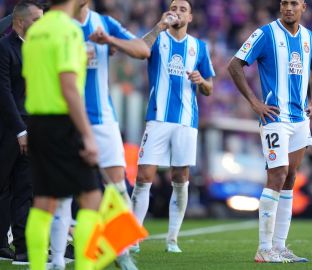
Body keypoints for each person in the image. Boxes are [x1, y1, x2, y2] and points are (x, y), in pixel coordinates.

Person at [46, 1, 150, 269]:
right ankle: (57, 259)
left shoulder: (104, 24)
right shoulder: (57, 23)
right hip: (66, 119)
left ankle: (122, 252)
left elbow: (142, 50)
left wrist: (109, 40)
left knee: (117, 189)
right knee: (63, 192)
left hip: (103, 120)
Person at [228, 0, 312, 263]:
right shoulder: (265, 33)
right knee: (277, 174)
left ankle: (280, 247)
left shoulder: (310, 39)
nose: (288, 8)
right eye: (284, 3)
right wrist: (254, 102)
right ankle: (263, 248)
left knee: (291, 177)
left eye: (293, 3)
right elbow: (234, 65)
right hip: (274, 118)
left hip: (299, 119)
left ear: (303, 6)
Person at [22, 0, 102, 269]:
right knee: (92, 197)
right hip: (62, 123)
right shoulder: (67, 31)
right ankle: (85, 266)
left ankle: (37, 265)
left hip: (36, 122)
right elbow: (69, 87)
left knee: (44, 200)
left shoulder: (35, 32)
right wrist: (87, 134)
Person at [131, 0, 214, 253]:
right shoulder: (158, 39)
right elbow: (139, 49)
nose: (176, 12)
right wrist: (158, 26)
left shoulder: (198, 47)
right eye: (173, 8)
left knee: (180, 177)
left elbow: (209, 88)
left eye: (182, 9)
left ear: (190, 17)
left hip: (186, 122)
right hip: (157, 118)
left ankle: (172, 238)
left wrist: (201, 81)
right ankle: (133, 237)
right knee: (144, 176)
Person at [0, 0, 42, 265]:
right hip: (8, 127)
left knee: (25, 187)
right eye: (37, 19)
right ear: (19, 22)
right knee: (3, 186)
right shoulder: (4, 48)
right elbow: (3, 93)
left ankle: (23, 248)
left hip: (32, 127)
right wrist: (19, 130)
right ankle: (2, 244)